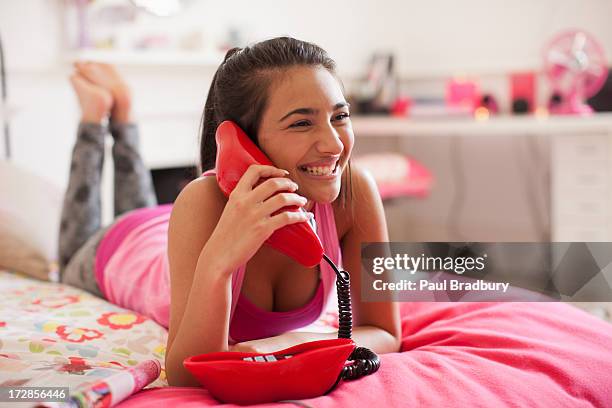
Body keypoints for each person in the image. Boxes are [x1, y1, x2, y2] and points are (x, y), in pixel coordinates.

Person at [58, 37, 401, 387]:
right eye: (301, 123)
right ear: (243, 141)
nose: (334, 145)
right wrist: (221, 260)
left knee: (141, 204)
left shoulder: (354, 191)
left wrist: (292, 344)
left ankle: (123, 116)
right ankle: (95, 118)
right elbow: (184, 374)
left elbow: (386, 332)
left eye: (339, 116)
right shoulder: (202, 203)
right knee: (68, 251)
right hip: (118, 250)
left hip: (163, 228)